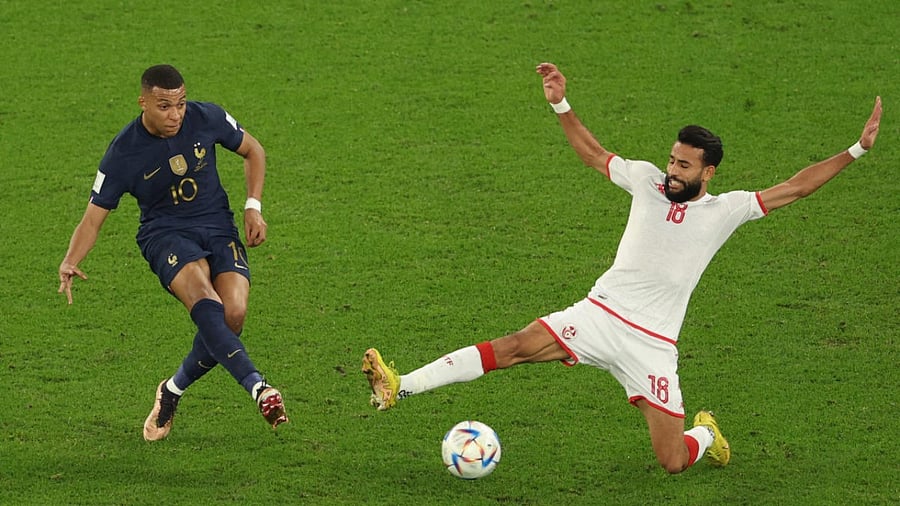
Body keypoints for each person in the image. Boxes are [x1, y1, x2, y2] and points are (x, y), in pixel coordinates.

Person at [362, 62, 882, 473]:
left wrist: (857, 149)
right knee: (515, 346)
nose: (672, 170)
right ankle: (401, 384)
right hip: (599, 314)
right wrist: (560, 102)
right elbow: (591, 152)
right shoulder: (645, 180)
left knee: (672, 461)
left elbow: (796, 186)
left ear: (708, 171)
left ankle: (706, 434)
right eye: (673, 160)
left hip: (652, 345)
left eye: (684, 165)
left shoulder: (727, 209)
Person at [58, 64, 288, 441]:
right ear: (143, 103)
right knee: (204, 298)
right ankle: (259, 387)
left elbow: (253, 150)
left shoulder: (206, 116)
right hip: (165, 234)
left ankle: (172, 390)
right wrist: (71, 260)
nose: (175, 115)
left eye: (179, 104)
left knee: (234, 314)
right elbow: (92, 219)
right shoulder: (122, 153)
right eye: (164, 106)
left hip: (217, 226)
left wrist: (253, 206)